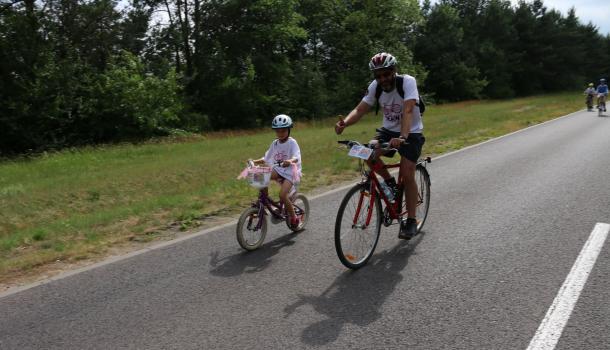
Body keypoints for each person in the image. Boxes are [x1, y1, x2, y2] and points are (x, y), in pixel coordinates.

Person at [334, 52, 425, 239]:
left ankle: (410, 221)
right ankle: (390, 183)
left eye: (386, 74)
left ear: (394, 71)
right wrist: (345, 123)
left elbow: (408, 110)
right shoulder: (375, 87)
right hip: (387, 130)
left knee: (407, 173)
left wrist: (403, 136)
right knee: (366, 152)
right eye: (378, 75)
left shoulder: (407, 82)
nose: (382, 79)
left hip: (411, 132)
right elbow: (360, 109)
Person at [251, 114, 302, 228]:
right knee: (261, 174)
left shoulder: (292, 142)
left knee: (282, 195)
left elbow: (296, 156)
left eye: (283, 130)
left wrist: (290, 160)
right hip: (279, 169)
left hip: (291, 172)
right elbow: (266, 158)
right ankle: (264, 199)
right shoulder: (275, 143)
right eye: (278, 131)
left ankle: (294, 217)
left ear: (289, 130)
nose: (280, 133)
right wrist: (255, 161)